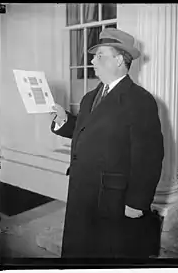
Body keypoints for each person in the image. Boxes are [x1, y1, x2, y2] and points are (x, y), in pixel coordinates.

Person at [51, 28, 164, 259]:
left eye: (99, 55)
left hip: (112, 198)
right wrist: (65, 121)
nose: (92, 60)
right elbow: (90, 131)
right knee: (78, 250)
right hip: (82, 189)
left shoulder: (140, 100)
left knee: (105, 252)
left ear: (120, 60)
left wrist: (137, 202)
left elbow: (149, 157)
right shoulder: (90, 97)